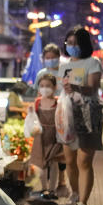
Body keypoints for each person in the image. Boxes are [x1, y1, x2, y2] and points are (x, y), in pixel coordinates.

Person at [59, 26, 103, 205]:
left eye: (75, 43)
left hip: (87, 113)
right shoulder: (64, 64)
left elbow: (93, 87)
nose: (72, 46)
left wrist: (76, 86)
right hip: (67, 114)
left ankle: (83, 204)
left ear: (84, 44)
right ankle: (75, 193)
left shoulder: (93, 62)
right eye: (69, 43)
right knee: (69, 160)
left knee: (84, 161)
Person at [35, 43, 70, 196]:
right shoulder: (41, 73)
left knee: (59, 153)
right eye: (47, 58)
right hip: (45, 115)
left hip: (62, 112)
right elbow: (38, 94)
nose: (50, 60)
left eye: (53, 58)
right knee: (45, 157)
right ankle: (46, 186)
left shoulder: (65, 72)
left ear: (58, 57)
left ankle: (62, 179)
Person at [25, 73, 63, 200]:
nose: (44, 88)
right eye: (41, 86)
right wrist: (30, 113)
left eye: (48, 85)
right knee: (41, 163)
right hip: (40, 137)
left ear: (54, 87)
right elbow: (33, 119)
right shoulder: (37, 102)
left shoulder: (58, 102)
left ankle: (52, 189)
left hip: (55, 137)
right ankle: (44, 188)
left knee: (53, 162)